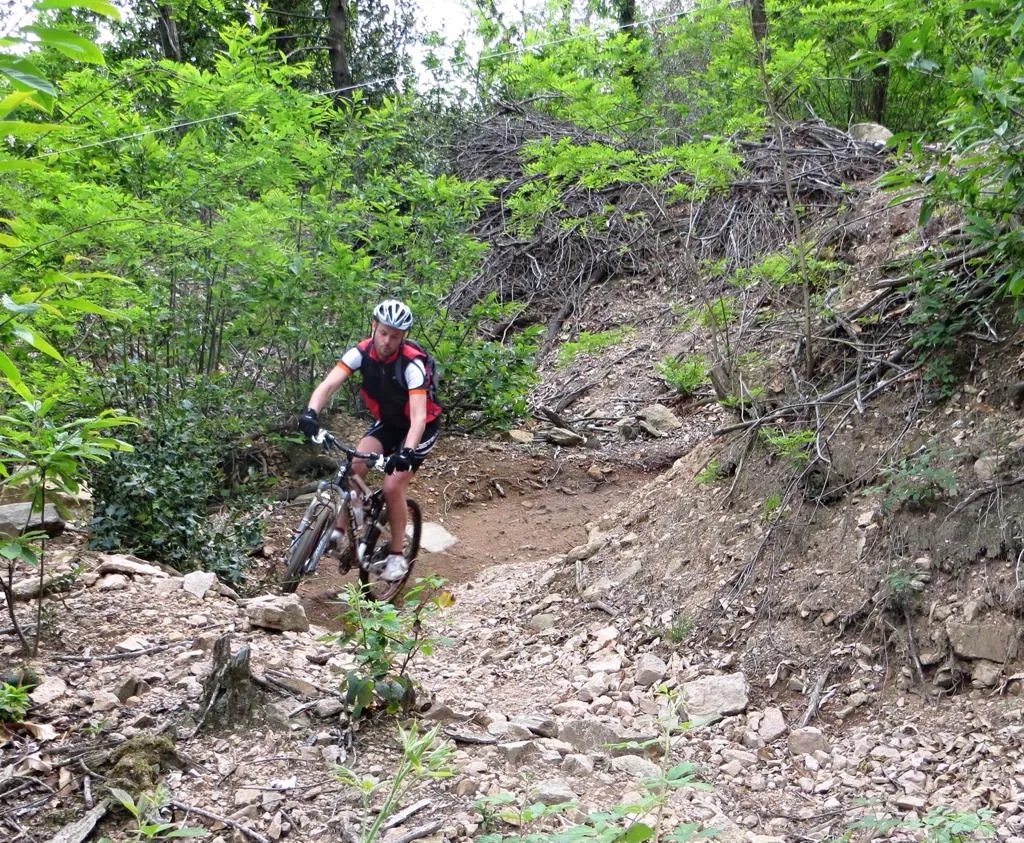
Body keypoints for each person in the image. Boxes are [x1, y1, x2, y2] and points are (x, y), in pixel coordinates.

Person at [297, 299, 441, 581]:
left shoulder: (412, 364)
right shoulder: (360, 352)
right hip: (388, 422)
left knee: (391, 486)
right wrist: (311, 412)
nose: (387, 341)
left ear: (404, 337)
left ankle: (398, 555)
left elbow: (419, 418)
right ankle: (338, 530)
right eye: (383, 332)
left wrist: (406, 453)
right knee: (354, 467)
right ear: (374, 326)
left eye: (395, 336)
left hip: (419, 428)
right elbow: (328, 384)